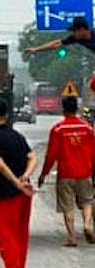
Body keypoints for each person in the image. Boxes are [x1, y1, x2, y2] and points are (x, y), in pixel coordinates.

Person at [0, 99, 36, 268]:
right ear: (6, 116)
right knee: (21, 235)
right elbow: (32, 157)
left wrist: (16, 183)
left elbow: (0, 165)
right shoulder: (17, 136)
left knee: (7, 236)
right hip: (24, 193)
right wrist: (25, 178)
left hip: (9, 194)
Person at [38, 96, 95, 247]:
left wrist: (44, 174)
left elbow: (51, 155)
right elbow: (93, 153)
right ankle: (88, 225)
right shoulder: (87, 129)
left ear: (63, 109)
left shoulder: (58, 129)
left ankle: (72, 238)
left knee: (67, 205)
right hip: (85, 173)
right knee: (87, 201)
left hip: (65, 174)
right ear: (77, 109)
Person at [25, 16, 95, 57]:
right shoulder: (76, 38)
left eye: (74, 31)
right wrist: (36, 49)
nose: (73, 33)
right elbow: (57, 44)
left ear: (82, 29)